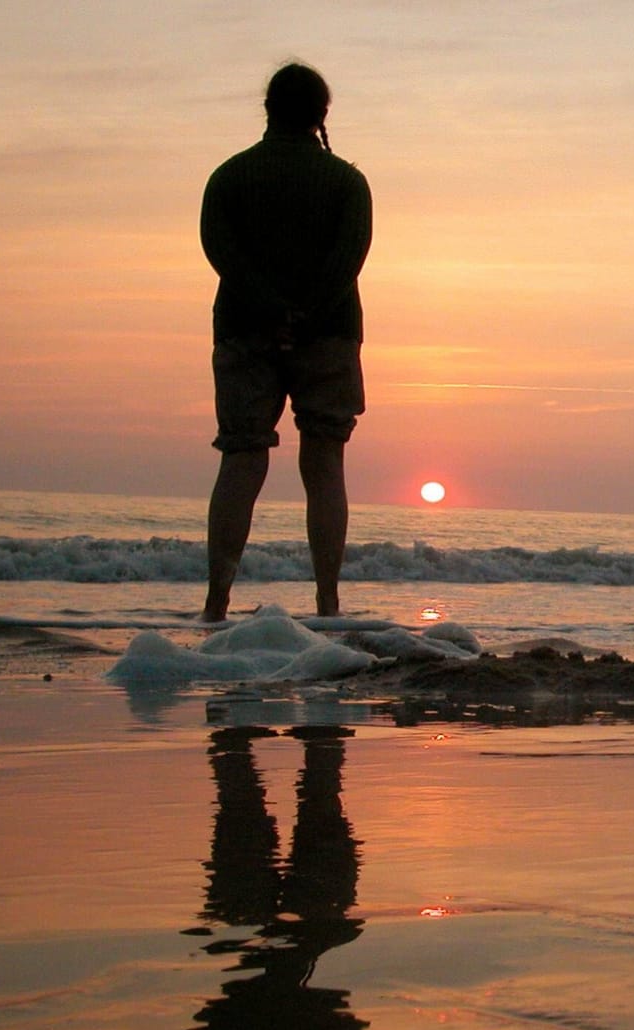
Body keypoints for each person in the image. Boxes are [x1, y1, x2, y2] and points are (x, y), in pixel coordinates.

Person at [200, 62, 373, 622]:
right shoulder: (347, 182)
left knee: (241, 459)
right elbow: (349, 260)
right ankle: (327, 603)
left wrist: (270, 309)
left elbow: (220, 254)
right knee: (324, 467)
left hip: (244, 330)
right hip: (328, 332)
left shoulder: (228, 177)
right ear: (322, 115)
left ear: (268, 110)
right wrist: (303, 314)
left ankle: (216, 603)